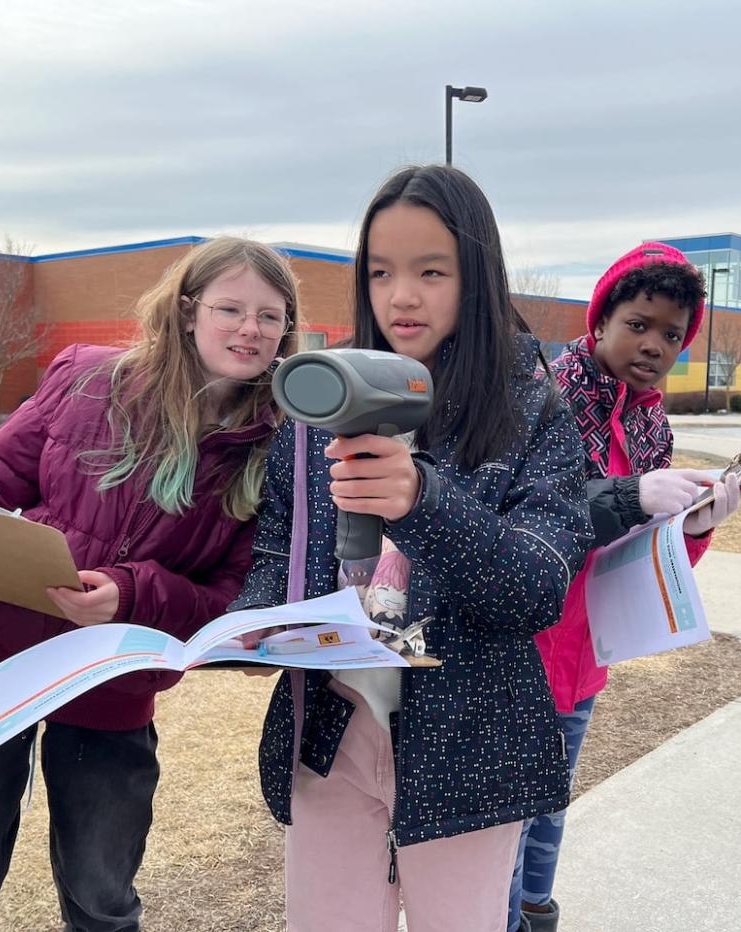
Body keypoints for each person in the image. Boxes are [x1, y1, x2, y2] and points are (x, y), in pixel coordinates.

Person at [0, 236, 298, 931]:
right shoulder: (87, 379)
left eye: (270, 317)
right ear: (188, 311)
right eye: (231, 308)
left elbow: (230, 601)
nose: (251, 329)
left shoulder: (277, 451)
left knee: (102, 899)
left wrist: (130, 592)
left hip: (113, 687)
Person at [231, 164, 592, 931]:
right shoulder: (315, 406)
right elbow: (275, 562)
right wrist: (238, 629)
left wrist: (424, 502)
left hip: (472, 746)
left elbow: (537, 588)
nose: (401, 296)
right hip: (331, 736)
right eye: (381, 272)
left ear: (477, 278)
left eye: (432, 271)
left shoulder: (531, 409)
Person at [508, 243, 741, 932]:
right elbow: (526, 522)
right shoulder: (541, 397)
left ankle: (534, 916)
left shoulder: (650, 424)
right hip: (522, 654)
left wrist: (693, 527)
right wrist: (632, 495)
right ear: (603, 317)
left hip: (587, 657)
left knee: (551, 810)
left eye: (672, 334)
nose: (654, 345)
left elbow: (636, 559)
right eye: (639, 323)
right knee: (507, 827)